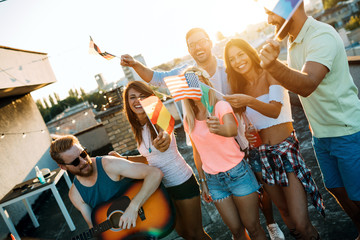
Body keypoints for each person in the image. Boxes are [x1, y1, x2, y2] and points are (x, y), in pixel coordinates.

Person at [120, 27, 284, 239]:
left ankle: (271, 224)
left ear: (209, 41)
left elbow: (252, 81)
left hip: (243, 138)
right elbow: (156, 78)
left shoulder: (228, 67)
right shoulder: (187, 75)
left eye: (200, 41)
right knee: (238, 225)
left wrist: (248, 123)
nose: (197, 47)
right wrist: (134, 64)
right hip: (214, 157)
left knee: (261, 194)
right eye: (191, 45)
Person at [259, 2, 360, 239]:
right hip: (321, 134)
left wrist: (273, 65)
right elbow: (296, 88)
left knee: (357, 194)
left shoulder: (320, 35)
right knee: (335, 188)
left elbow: (306, 84)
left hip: (346, 130)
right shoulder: (293, 41)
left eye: (270, 14)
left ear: (289, 8)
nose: (268, 21)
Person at [223, 38, 325, 239]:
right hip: (260, 158)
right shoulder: (239, 87)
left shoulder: (270, 72)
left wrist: (249, 101)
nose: (238, 61)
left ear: (249, 52)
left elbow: (275, 110)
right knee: (286, 215)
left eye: (240, 54)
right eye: (232, 59)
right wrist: (248, 135)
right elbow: (250, 126)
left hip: (285, 153)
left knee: (301, 222)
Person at [109, 80, 212, 240]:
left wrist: (164, 138)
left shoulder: (159, 116)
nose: (137, 100)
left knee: (196, 234)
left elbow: (166, 133)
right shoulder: (138, 128)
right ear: (127, 102)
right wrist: (123, 159)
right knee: (183, 233)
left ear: (150, 98)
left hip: (181, 183)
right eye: (132, 97)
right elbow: (148, 158)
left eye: (142, 96)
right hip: (161, 189)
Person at [182, 66, 266, 240]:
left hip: (238, 174)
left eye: (198, 82)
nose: (195, 87)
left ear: (206, 83)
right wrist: (203, 182)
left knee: (253, 227)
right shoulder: (188, 119)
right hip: (214, 181)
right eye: (190, 85)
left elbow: (232, 129)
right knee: (236, 230)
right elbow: (197, 154)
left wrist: (218, 128)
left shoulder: (220, 106)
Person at [49, 135, 163, 232]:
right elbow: (95, 227)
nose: (84, 161)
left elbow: (155, 174)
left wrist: (133, 207)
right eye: (75, 162)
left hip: (148, 220)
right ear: (63, 166)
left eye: (83, 154)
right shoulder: (75, 195)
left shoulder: (109, 164)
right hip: (123, 234)